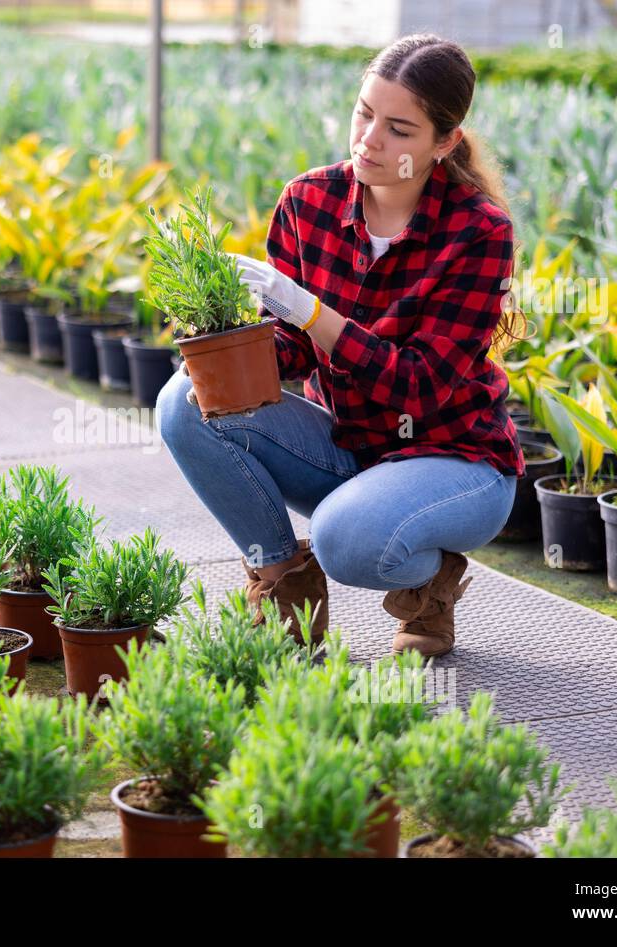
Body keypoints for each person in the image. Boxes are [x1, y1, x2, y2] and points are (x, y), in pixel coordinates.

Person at [156, 33, 527, 658]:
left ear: (444, 143)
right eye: (364, 112)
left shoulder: (477, 232)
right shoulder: (310, 202)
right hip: (348, 445)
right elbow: (293, 355)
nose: (368, 140)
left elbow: (418, 387)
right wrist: (223, 339)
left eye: (399, 129)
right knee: (187, 400)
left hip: (453, 461)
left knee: (347, 540)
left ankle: (429, 585)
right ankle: (282, 583)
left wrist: (311, 312)